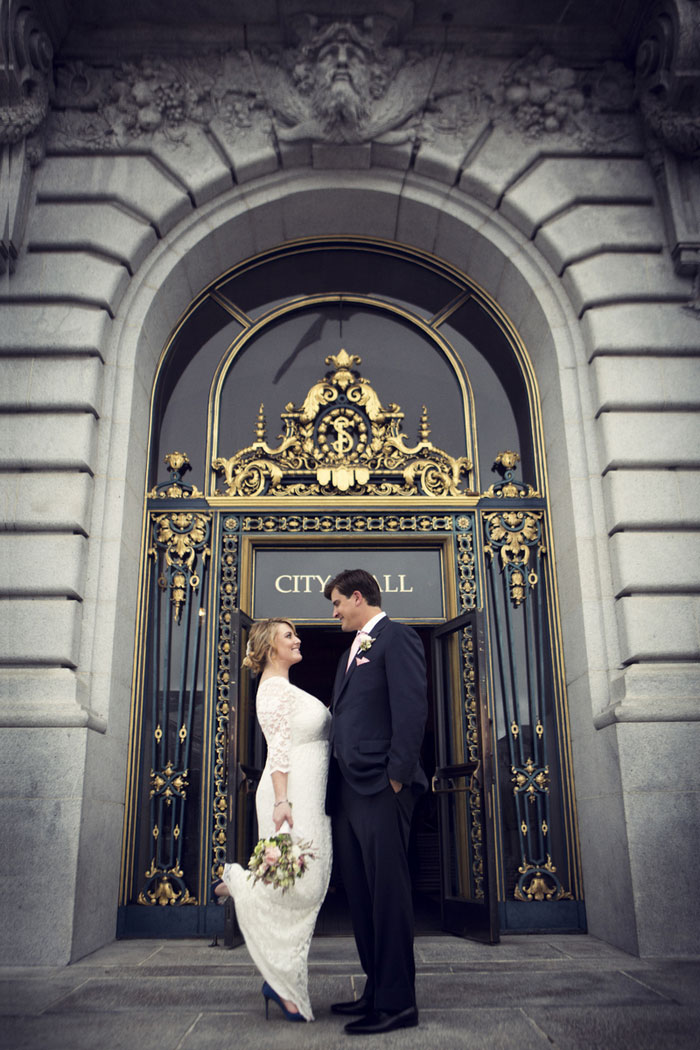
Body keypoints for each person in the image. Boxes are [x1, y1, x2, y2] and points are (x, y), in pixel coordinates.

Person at [324, 568, 428, 1036]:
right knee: (362, 897)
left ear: (359, 596)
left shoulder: (397, 637)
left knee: (388, 895)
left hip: (381, 786)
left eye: (338, 603)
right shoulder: (353, 649)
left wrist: (397, 778)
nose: (334, 612)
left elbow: (411, 708)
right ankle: (375, 989)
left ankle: (398, 1003)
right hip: (349, 790)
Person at [214, 618, 332, 1022]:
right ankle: (243, 885)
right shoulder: (274, 690)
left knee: (306, 885)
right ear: (268, 647)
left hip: (309, 794)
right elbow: (278, 749)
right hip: (290, 796)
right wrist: (282, 802)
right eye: (289, 636)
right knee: (300, 885)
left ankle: (279, 976)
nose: (298, 640)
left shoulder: (283, 687)